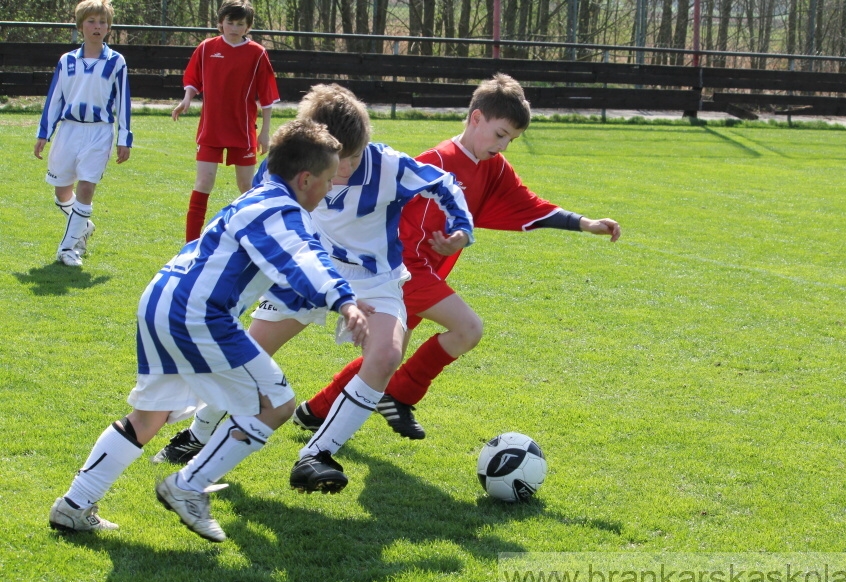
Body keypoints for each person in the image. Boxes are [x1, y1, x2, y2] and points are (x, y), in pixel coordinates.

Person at [48, 119, 369, 543]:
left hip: (163, 298)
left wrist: (334, 295)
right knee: (275, 403)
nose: (330, 189)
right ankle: (187, 487)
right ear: (305, 178)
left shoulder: (261, 195)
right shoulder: (279, 209)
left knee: (149, 415)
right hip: (198, 314)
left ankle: (73, 505)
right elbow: (304, 257)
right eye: (327, 180)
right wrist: (344, 300)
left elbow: (294, 263)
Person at [152, 84, 474, 494]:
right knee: (245, 357)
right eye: (340, 159)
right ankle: (197, 434)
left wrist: (461, 231)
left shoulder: (388, 166)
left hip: (375, 280)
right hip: (306, 274)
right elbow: (254, 214)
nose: (345, 168)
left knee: (387, 353)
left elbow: (444, 184)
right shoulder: (290, 165)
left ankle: (316, 454)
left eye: (355, 157)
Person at [297, 73, 622, 441]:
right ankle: (399, 395)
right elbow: (385, 219)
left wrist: (584, 223)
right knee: (468, 329)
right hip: (403, 269)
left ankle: (315, 411)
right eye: (500, 134)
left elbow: (526, 204)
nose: (504, 146)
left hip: (425, 274)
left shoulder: (493, 167)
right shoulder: (434, 161)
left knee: (386, 356)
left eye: (511, 140)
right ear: (476, 118)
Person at [33, 0, 132, 267]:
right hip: (69, 130)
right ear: (80, 26)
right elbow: (55, 98)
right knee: (61, 191)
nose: (97, 27)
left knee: (86, 186)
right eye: (91, 21)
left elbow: (123, 102)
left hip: (99, 133)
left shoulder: (115, 62)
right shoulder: (67, 61)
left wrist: (125, 138)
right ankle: (83, 226)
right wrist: (44, 133)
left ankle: (68, 249)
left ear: (109, 27)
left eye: (102, 22)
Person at [172, 0, 280, 242]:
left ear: (247, 27)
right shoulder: (206, 48)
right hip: (211, 129)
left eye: (239, 24)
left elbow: (267, 96)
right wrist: (186, 98)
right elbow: (193, 79)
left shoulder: (257, 53)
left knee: (246, 187)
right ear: (221, 23)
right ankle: (189, 244)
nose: (233, 27)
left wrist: (265, 132)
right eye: (229, 22)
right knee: (203, 181)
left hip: (242, 130)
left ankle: (260, 240)